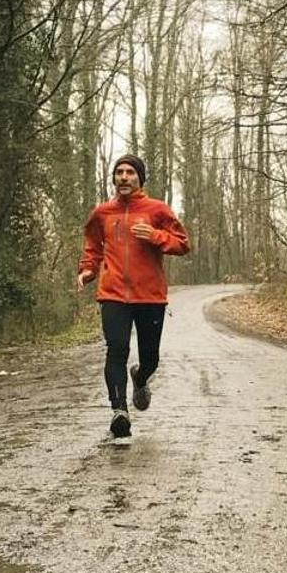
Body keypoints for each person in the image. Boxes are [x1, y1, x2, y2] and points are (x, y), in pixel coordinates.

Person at [77, 154, 190, 438]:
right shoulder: (102, 213)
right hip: (113, 294)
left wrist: (155, 236)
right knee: (117, 349)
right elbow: (93, 245)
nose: (124, 177)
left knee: (150, 358)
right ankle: (119, 411)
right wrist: (88, 271)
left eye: (130, 172)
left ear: (140, 178)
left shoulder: (157, 210)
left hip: (150, 296)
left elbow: (183, 244)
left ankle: (140, 377)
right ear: (114, 179)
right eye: (119, 172)